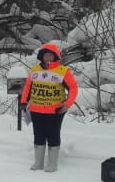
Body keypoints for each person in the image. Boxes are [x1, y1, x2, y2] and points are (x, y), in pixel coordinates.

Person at [19, 43, 79, 172]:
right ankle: (38, 163)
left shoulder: (63, 71)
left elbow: (73, 88)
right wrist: (24, 102)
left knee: (53, 134)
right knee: (38, 135)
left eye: (50, 55)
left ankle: (52, 164)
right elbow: (28, 87)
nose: (48, 57)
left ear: (56, 56)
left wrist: (67, 104)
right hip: (36, 109)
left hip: (55, 110)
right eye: (45, 54)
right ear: (42, 56)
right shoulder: (34, 70)